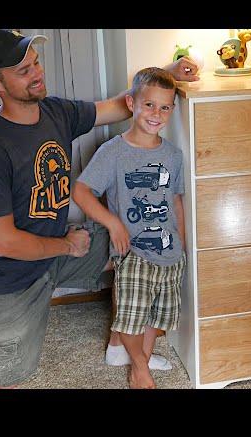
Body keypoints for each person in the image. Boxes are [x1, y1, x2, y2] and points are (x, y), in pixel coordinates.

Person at [0, 29, 198, 389]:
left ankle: (119, 343)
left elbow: (121, 104)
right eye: (23, 70)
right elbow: (4, 243)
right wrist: (67, 245)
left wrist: (167, 72)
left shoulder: (54, 112)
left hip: (52, 251)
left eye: (36, 63)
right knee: (4, 376)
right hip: (4, 280)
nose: (37, 74)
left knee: (139, 239)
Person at [72, 67, 186, 389]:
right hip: (132, 251)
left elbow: (175, 200)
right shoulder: (114, 152)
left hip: (169, 251)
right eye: (149, 105)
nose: (156, 114)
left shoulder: (173, 156)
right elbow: (81, 191)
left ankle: (144, 359)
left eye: (164, 107)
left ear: (172, 111)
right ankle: (139, 366)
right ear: (131, 103)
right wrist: (113, 223)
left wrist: (184, 244)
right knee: (131, 316)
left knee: (157, 316)